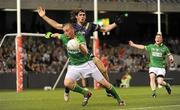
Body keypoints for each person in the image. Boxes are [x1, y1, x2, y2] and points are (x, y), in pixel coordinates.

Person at [38, 7, 124, 100]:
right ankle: (67, 90)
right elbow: (57, 25)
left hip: (87, 54)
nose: (83, 16)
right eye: (80, 15)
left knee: (103, 70)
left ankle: (108, 90)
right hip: (75, 54)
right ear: (76, 17)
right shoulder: (71, 26)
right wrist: (44, 16)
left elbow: (104, 29)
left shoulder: (90, 25)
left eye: (84, 15)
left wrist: (116, 24)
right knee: (70, 79)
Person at [129, 33, 174, 98]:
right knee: (152, 77)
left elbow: (170, 55)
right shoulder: (151, 46)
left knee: (160, 82)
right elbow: (142, 47)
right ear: (155, 39)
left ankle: (167, 85)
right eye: (156, 38)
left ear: (162, 40)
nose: (157, 39)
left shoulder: (165, 48)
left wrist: (171, 59)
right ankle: (154, 93)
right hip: (153, 66)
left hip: (161, 67)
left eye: (159, 38)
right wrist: (133, 44)